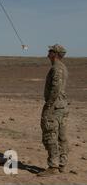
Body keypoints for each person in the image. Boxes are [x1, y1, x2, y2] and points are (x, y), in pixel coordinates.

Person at [37, 44, 69, 177]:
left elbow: (55, 89)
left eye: (50, 50)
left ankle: (53, 166)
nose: (48, 52)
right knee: (61, 136)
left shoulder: (56, 68)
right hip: (62, 106)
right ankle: (62, 163)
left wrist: (49, 105)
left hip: (55, 107)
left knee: (50, 135)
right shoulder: (62, 67)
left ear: (55, 54)